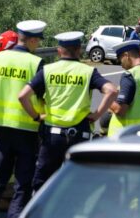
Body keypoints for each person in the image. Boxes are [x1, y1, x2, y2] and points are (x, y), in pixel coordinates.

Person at [19, 31, 117, 192]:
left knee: (43, 180)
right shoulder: (88, 72)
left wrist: (36, 117)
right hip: (80, 133)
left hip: (52, 135)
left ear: (59, 50)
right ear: (79, 49)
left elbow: (23, 96)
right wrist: (97, 115)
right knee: (78, 181)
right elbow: (111, 91)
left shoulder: (48, 70)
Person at [0, 20, 47, 218]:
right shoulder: (35, 62)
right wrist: (40, 115)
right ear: (31, 40)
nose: (38, 44)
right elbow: (42, 96)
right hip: (26, 129)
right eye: (38, 41)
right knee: (23, 183)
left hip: (0, 127)